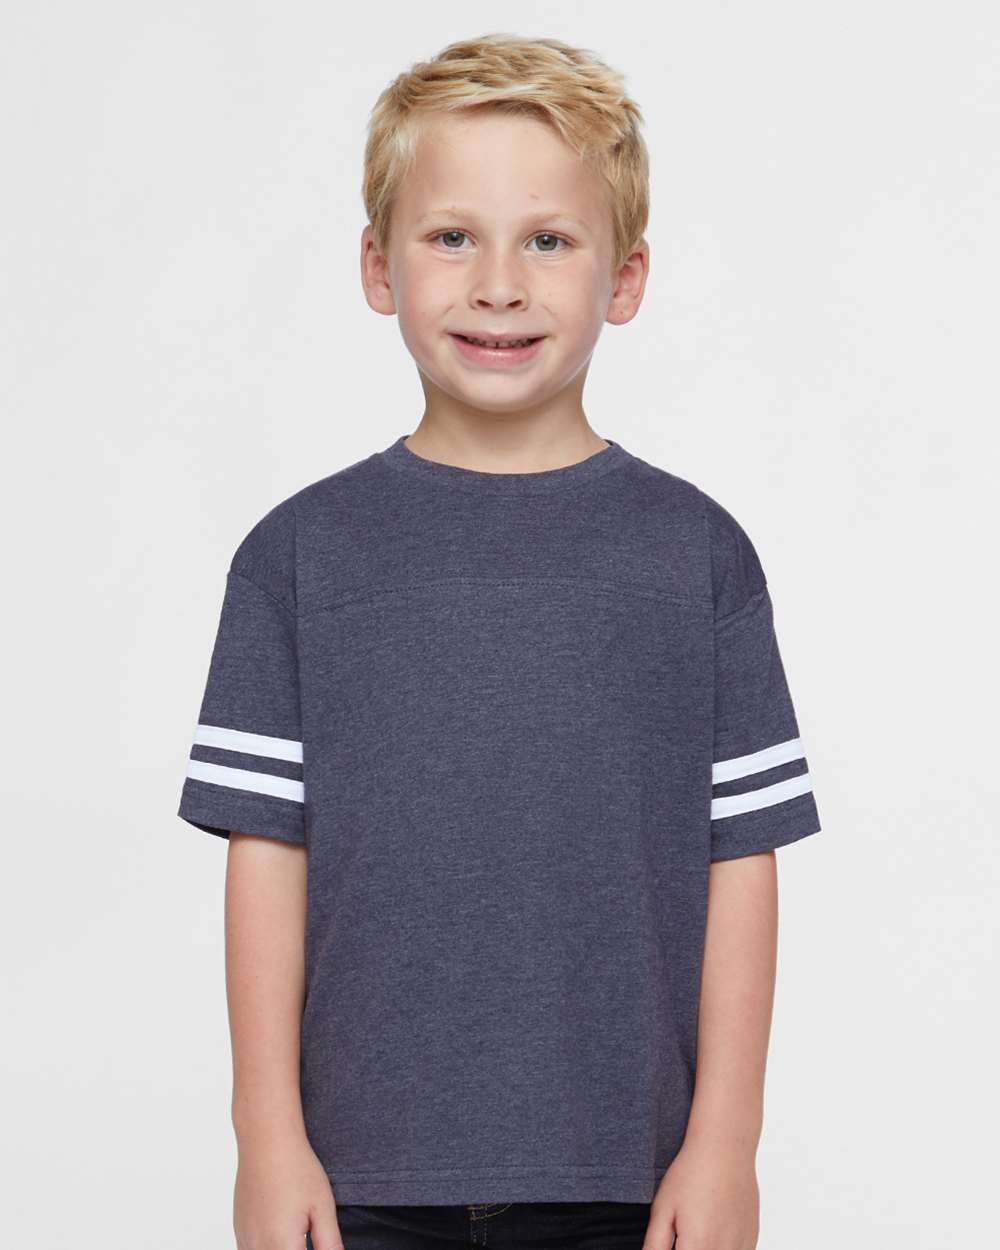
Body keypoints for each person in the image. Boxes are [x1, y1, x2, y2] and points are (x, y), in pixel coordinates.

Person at [177, 32, 822, 1250]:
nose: (498, 284)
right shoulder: (295, 558)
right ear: (377, 266)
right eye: (451, 236)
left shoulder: (698, 558)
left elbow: (740, 857)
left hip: (626, 1179)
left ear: (625, 277)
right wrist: (266, 1135)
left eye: (548, 240)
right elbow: (266, 855)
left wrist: (724, 1144)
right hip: (358, 1180)